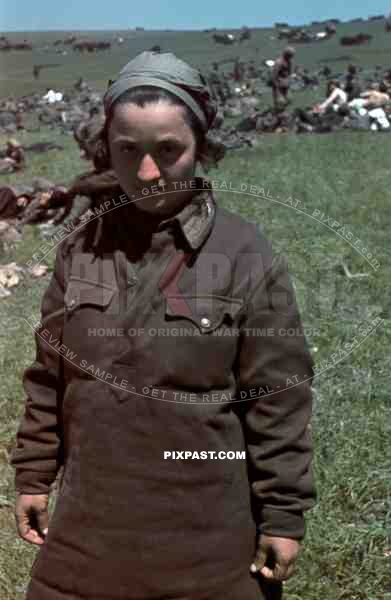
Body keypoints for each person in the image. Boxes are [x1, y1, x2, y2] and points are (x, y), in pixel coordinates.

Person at [11, 50, 315, 600]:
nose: (147, 173)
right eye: (128, 151)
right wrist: (33, 472)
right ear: (108, 149)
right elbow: (49, 376)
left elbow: (278, 399)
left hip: (208, 544)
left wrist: (283, 514)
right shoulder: (82, 247)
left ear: (201, 149)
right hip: (85, 537)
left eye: (169, 151)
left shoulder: (245, 253)